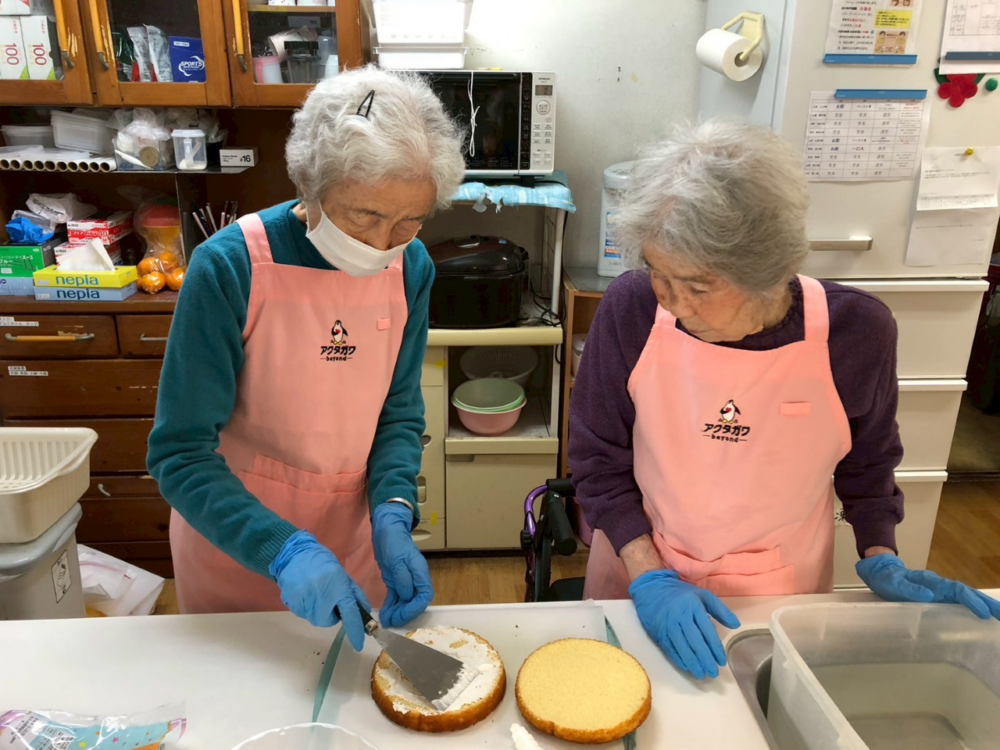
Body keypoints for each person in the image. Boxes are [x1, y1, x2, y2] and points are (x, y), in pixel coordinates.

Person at [569, 120, 1000, 680]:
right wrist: (648, 575)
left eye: (698, 287)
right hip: (639, 572)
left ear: (768, 273)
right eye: (658, 274)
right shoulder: (631, 309)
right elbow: (596, 458)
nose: (673, 304)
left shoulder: (857, 332)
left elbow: (867, 464)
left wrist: (880, 552)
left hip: (779, 591)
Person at [147, 67, 465, 650]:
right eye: (364, 216)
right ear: (309, 187)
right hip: (237, 546)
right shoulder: (230, 266)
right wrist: (282, 549)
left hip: (351, 544)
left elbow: (397, 413)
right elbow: (180, 453)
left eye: (409, 220)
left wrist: (394, 506)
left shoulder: (412, 267)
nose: (382, 244)